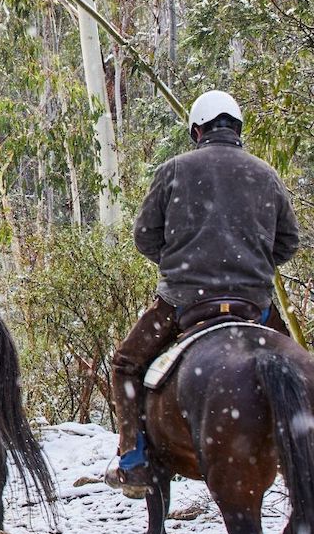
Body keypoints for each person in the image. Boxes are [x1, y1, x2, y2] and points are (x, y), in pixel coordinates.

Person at [107, 90, 300, 492]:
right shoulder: (265, 173)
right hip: (254, 305)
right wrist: (249, 266)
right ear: (238, 130)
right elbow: (288, 243)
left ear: (197, 130)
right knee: (299, 369)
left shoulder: (174, 169)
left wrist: (181, 262)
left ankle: (133, 458)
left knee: (126, 363)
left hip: (183, 301)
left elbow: (145, 237)